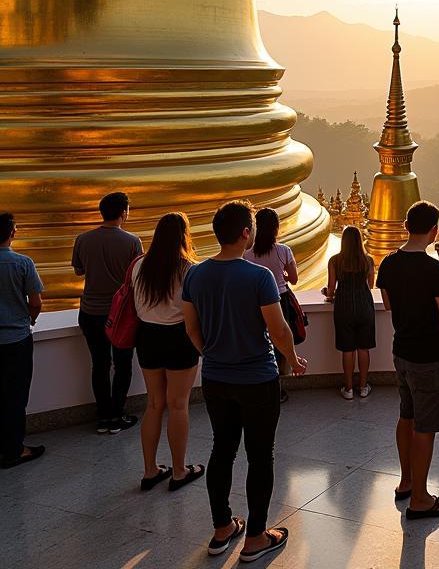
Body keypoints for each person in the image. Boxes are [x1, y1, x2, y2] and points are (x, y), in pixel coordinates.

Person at [181, 200, 307, 563]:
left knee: (222, 450)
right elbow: (278, 328)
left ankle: (222, 529)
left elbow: (191, 327)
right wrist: (293, 359)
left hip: (217, 377)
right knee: (260, 456)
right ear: (245, 234)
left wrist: (214, 353)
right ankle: (255, 537)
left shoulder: (196, 274)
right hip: (257, 377)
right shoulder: (258, 276)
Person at [377, 201, 439, 520]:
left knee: (406, 414)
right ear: (434, 231)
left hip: (402, 351)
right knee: (425, 426)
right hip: (429, 354)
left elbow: (387, 305)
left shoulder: (388, 263)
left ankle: (407, 480)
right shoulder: (435, 269)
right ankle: (421, 499)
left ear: (406, 227)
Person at [132, 211, 202, 492]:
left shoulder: (139, 265)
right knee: (178, 404)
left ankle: (150, 470)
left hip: (147, 336)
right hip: (179, 336)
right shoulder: (188, 269)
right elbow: (195, 312)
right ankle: (179, 470)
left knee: (153, 403)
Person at [72, 191, 143, 433]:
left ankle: (103, 416)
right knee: (123, 365)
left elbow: (78, 271)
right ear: (124, 213)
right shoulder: (133, 242)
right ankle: (117, 413)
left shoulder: (83, 239)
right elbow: (136, 277)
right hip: (121, 313)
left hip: (90, 311)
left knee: (99, 364)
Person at [0, 212, 45, 469]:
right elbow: (36, 302)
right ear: (12, 233)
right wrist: (30, 319)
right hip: (16, 338)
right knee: (15, 395)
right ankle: (15, 449)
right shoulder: (23, 262)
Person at [243, 208, 299, 397]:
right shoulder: (283, 251)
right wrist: (281, 273)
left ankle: (260, 385)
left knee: (259, 342)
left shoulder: (247, 254)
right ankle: (278, 387)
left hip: (254, 301)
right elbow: (294, 279)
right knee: (280, 344)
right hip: (279, 299)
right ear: (276, 228)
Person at [324, 225, 376, 400]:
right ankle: (362, 387)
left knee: (347, 349)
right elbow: (370, 286)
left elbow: (331, 290)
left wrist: (327, 293)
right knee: (363, 348)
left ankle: (348, 389)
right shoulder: (368, 260)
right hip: (364, 306)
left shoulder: (335, 261)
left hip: (344, 306)